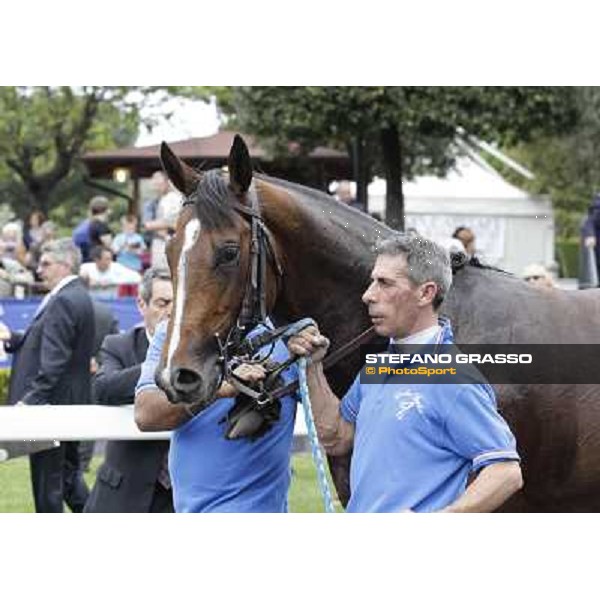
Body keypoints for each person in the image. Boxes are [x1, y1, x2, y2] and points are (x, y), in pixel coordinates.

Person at [287, 234, 523, 513]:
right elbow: (336, 437)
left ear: (426, 293)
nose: (368, 295)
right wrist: (313, 366)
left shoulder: (453, 377)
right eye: (373, 281)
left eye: (385, 283)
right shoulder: (378, 366)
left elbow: (506, 472)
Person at [134, 321, 299, 513]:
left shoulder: (287, 333)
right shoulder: (173, 330)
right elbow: (145, 414)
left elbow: (331, 431)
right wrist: (218, 390)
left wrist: (314, 364)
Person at [0, 239, 95, 512]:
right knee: (67, 478)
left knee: (47, 485)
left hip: (51, 406)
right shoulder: (75, 294)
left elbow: (54, 362)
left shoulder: (64, 299)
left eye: (46, 264)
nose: (39, 270)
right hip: (67, 402)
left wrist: (29, 402)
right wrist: (13, 338)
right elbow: (49, 344)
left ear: (65, 264)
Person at [85, 269, 174, 512]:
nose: (171, 312)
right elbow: (103, 389)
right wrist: (158, 365)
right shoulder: (119, 345)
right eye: (163, 303)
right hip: (124, 490)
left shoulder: (203, 349)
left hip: (183, 492)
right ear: (141, 305)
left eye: (178, 303)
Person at [143, 172, 182, 270]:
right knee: (159, 273)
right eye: (154, 182)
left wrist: (163, 224)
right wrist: (170, 223)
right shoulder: (150, 204)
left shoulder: (177, 198)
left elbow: (182, 223)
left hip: (177, 242)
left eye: (159, 182)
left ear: (167, 182)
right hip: (159, 242)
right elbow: (147, 225)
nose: (156, 184)